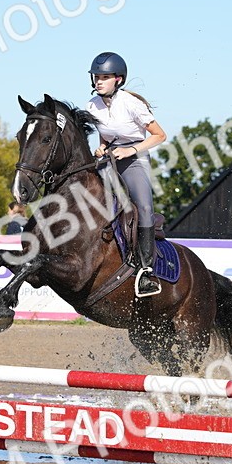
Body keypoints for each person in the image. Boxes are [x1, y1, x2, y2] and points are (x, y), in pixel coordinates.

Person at [86, 51, 168, 298]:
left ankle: (146, 270)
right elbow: (106, 132)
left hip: (135, 158)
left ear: (118, 79)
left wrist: (131, 150)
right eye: (96, 77)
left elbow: (160, 135)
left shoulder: (131, 103)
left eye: (104, 77)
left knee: (143, 207)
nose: (99, 81)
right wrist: (102, 146)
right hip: (109, 158)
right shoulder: (92, 105)